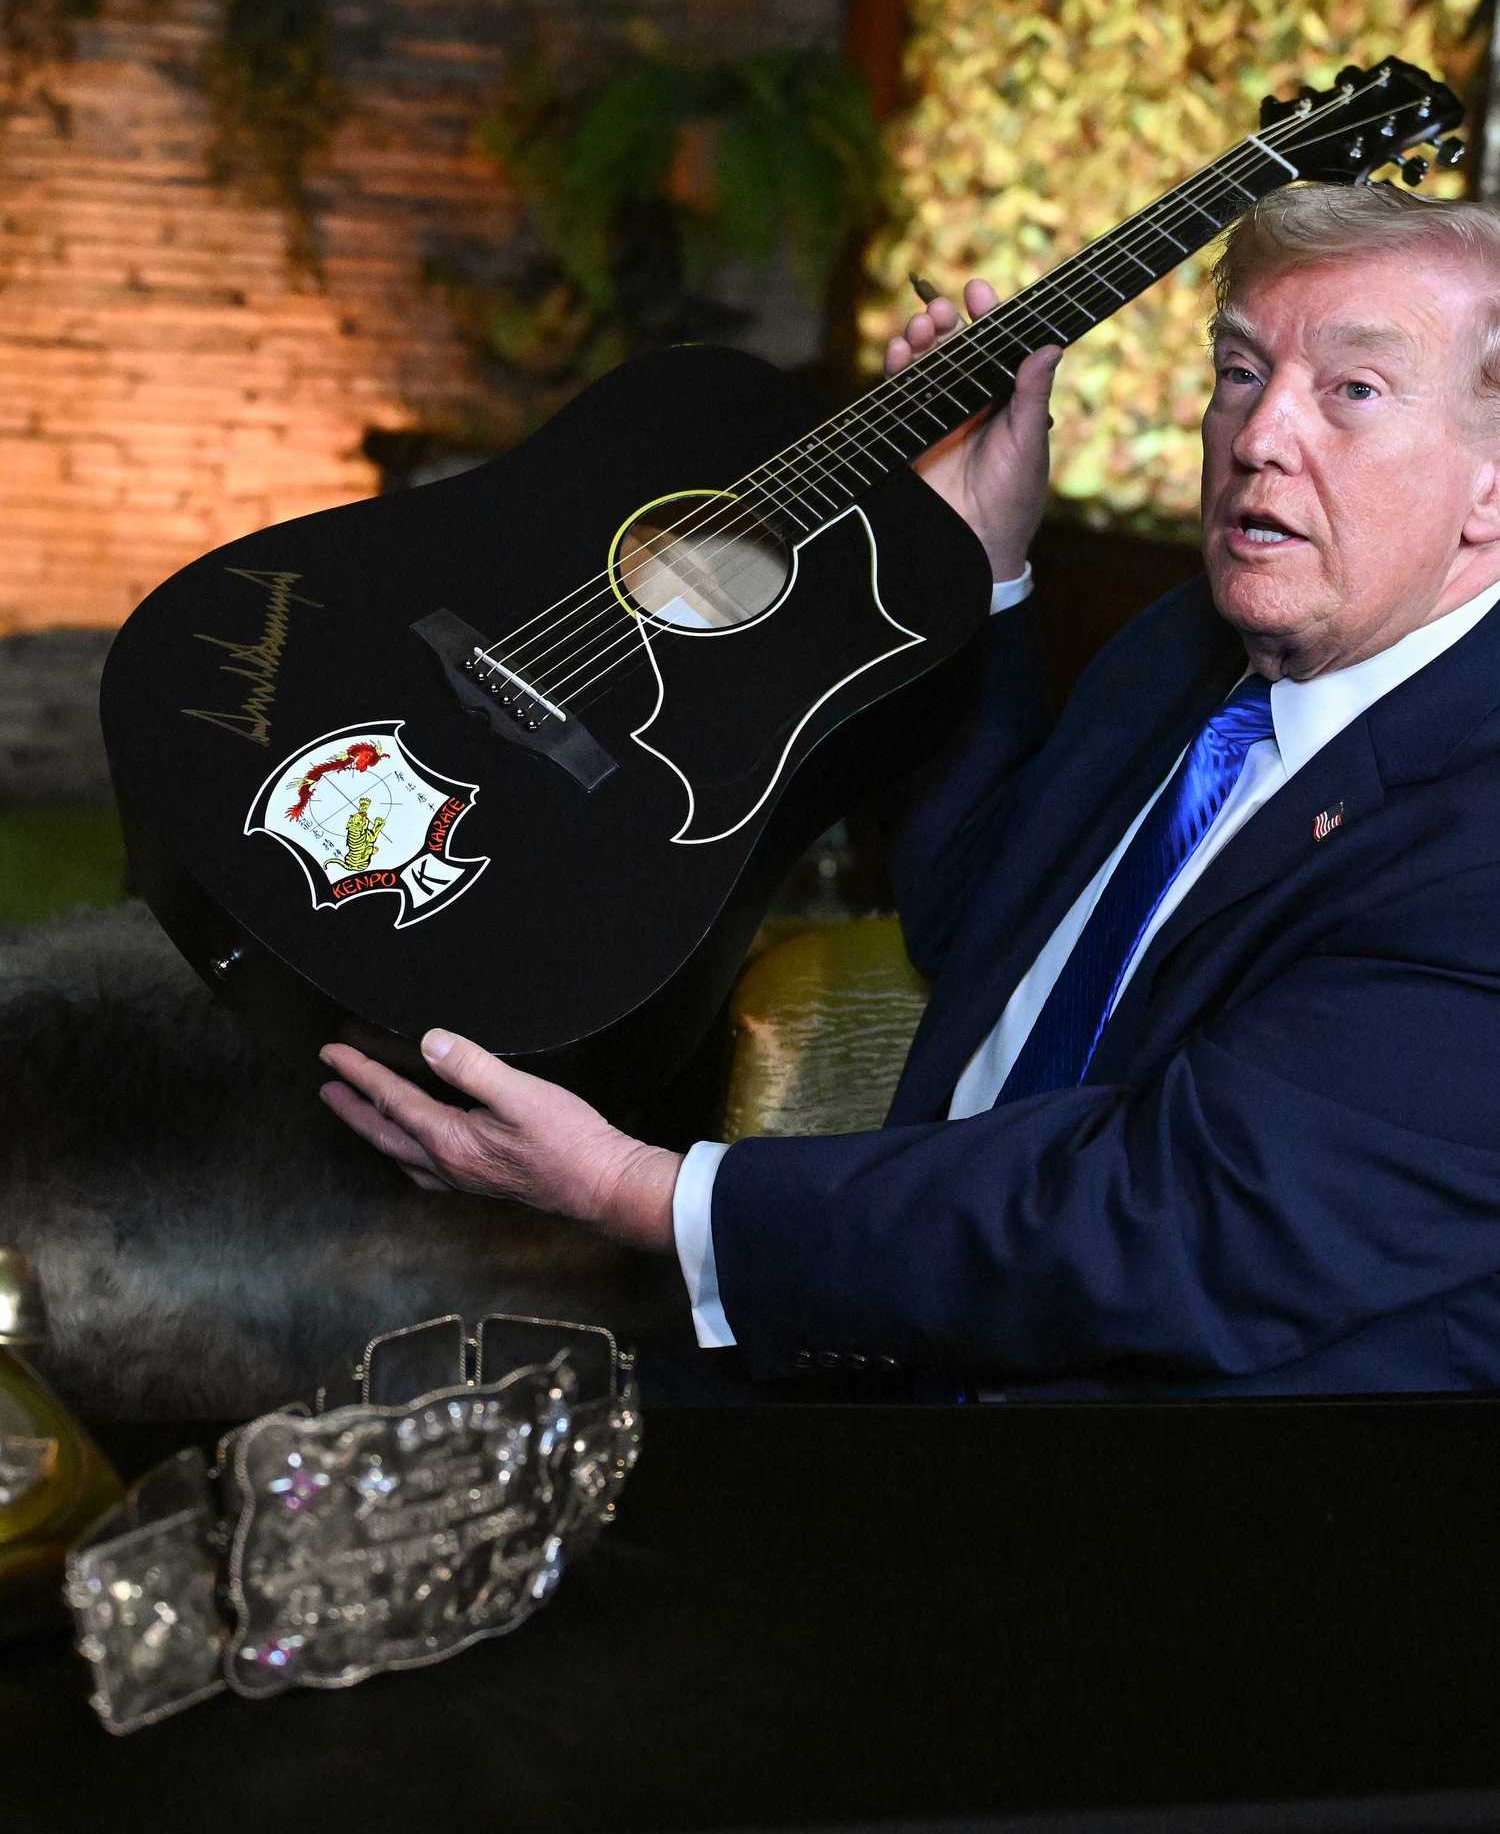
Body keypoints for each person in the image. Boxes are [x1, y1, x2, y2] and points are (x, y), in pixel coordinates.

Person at [319, 180, 1500, 1398]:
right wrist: (977, 560)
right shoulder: (1191, 647)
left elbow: (1165, 1228)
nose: (1258, 435)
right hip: (902, 1326)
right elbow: (972, 912)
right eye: (1242, 371)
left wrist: (638, 1190)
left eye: (1353, 391)